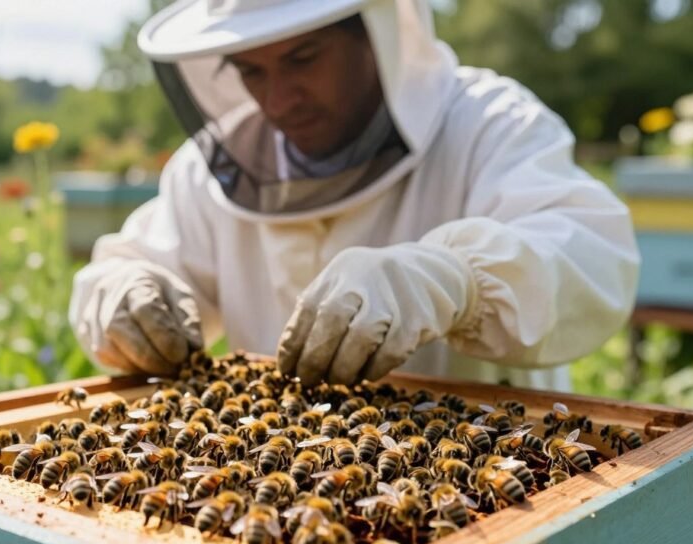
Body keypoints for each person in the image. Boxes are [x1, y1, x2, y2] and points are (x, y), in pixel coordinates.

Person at [69, 0, 639, 390]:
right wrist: (121, 293)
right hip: (280, 497)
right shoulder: (208, 171)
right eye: (250, 71)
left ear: (376, 34)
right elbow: (136, 265)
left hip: (485, 497)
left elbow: (591, 256)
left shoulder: (490, 124)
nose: (279, 99)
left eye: (303, 58)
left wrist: (453, 278)